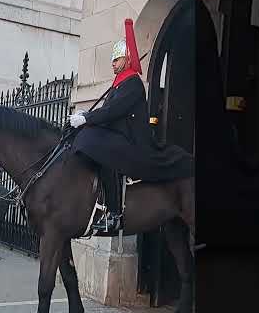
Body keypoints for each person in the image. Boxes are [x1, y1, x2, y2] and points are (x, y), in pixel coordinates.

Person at [69, 19, 193, 232]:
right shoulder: (120, 83)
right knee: (88, 139)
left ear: (127, 60)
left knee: (100, 148)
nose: (113, 63)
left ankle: (114, 213)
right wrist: (86, 117)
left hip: (135, 143)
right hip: (121, 137)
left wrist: (87, 118)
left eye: (116, 59)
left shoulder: (133, 83)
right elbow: (106, 114)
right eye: (113, 60)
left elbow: (112, 111)